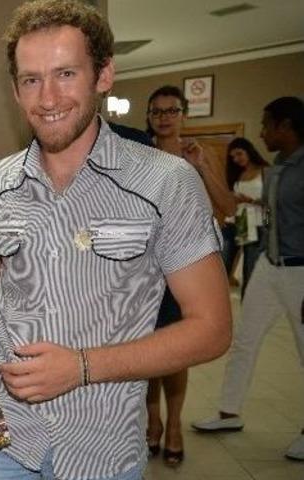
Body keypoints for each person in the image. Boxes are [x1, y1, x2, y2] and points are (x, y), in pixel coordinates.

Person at [0, 1, 231, 478]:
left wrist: (81, 366)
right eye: (31, 79)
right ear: (14, 89)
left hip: (102, 448)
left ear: (103, 75)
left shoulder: (167, 182)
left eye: (65, 74)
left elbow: (212, 328)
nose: (48, 98)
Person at [192, 96, 304, 462]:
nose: (261, 132)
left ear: (286, 126)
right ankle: (229, 412)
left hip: (301, 271)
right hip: (271, 267)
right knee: (244, 340)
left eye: (267, 125)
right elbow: (230, 206)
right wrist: (203, 166)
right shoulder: (280, 169)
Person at [142, 85, 236, 466]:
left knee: (176, 352)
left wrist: (199, 168)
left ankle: (175, 424)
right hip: (147, 265)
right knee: (147, 347)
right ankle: (153, 422)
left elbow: (227, 206)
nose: (164, 117)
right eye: (157, 111)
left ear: (184, 115)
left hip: (187, 265)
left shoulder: (200, 154)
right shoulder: (138, 155)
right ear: (149, 116)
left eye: (171, 110)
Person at [220, 137, 269, 295]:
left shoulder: (265, 171)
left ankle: (248, 307)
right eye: (233, 157)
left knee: (250, 269)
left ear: (249, 151)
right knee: (221, 266)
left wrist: (249, 200)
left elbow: (273, 203)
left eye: (239, 154)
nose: (236, 159)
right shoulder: (237, 173)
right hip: (236, 221)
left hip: (255, 223)